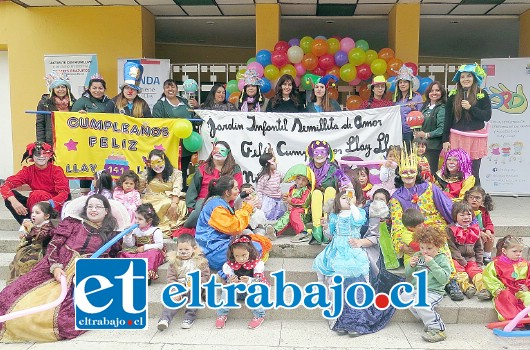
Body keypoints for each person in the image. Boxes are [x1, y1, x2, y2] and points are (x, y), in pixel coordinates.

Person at [0, 194, 121, 342]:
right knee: (9, 295)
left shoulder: (112, 234)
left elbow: (112, 258)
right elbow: (54, 245)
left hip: (83, 275)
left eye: (98, 207)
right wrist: (56, 267)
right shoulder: (73, 223)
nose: (93, 210)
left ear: (106, 211)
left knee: (65, 320)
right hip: (56, 266)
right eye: (90, 206)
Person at [389, 145, 464, 301]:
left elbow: (447, 207)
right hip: (413, 231)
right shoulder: (396, 197)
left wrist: (460, 225)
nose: (408, 175)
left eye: (411, 171)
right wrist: (400, 245)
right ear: (399, 174)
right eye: (404, 172)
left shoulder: (430, 188)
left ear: (417, 172)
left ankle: (450, 280)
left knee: (436, 240)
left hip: (435, 227)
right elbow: (397, 222)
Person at [195, 176, 267, 271]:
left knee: (252, 242)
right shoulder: (217, 207)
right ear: (227, 192)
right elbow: (234, 227)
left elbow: (234, 217)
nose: (238, 191)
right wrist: (247, 208)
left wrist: (246, 205)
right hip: (213, 252)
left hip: (216, 247)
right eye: (236, 188)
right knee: (256, 247)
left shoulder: (218, 202)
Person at [443, 63, 491, 185]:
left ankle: (475, 199)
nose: (465, 79)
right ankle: (458, 199)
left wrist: (471, 108)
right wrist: (445, 140)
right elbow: (447, 119)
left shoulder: (482, 94)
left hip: (476, 138)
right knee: (457, 170)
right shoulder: (453, 96)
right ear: (459, 80)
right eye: (462, 76)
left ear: (474, 78)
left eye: (469, 76)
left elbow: (487, 116)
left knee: (474, 172)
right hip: (457, 137)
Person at [1, 142, 70, 224]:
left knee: (37, 194)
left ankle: (40, 225)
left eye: (45, 153)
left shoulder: (56, 171)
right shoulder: (28, 171)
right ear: (32, 157)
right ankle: (28, 225)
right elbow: (5, 185)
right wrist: (14, 201)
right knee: (9, 198)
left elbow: (64, 193)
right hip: (35, 202)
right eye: (38, 154)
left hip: (54, 204)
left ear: (50, 156)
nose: (41, 156)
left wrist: (49, 203)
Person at [403, 225, 451, 343]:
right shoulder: (418, 256)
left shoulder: (441, 259)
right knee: (403, 297)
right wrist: (411, 266)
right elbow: (408, 274)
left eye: (429, 248)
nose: (424, 251)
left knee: (421, 304)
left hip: (433, 291)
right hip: (417, 289)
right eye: (422, 247)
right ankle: (426, 317)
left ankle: (438, 329)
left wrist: (432, 264)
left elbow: (444, 279)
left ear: (438, 246)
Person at [152, 79, 199, 190]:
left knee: (183, 169)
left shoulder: (185, 102)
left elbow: (194, 119)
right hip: (169, 144)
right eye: (167, 87)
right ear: (164, 90)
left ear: (177, 89)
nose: (170, 89)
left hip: (186, 144)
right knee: (169, 169)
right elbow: (157, 124)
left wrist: (196, 107)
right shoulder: (159, 105)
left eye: (172, 87)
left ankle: (181, 193)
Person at [157, 234, 211, 331]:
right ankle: (165, 319)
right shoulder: (174, 262)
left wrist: (198, 282)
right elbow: (171, 277)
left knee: (194, 294)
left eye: (186, 250)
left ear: (194, 249)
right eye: (180, 250)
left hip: (195, 285)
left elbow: (205, 276)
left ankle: (189, 317)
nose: (183, 252)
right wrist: (174, 289)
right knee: (172, 299)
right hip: (180, 285)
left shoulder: (200, 261)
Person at [184, 141, 243, 229]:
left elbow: (237, 189)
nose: (218, 152)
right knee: (199, 212)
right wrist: (192, 207)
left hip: (226, 200)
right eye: (216, 150)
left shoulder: (235, 169)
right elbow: (193, 189)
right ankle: (188, 228)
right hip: (204, 200)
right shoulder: (203, 168)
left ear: (228, 153)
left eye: (222, 150)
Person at [215, 235, 268, 330]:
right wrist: (231, 280)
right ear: (232, 255)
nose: (241, 259)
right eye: (237, 256)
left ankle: (259, 315)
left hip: (253, 290)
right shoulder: (229, 265)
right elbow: (228, 278)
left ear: (250, 252)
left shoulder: (257, 264)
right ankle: (222, 314)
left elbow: (259, 280)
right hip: (239, 291)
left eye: (244, 255)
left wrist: (250, 280)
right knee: (228, 290)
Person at [306, 140, 352, 244]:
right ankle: (317, 228)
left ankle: (327, 225)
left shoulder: (333, 168)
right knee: (317, 193)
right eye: (316, 152)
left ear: (327, 154)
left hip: (331, 200)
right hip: (313, 201)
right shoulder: (308, 169)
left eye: (322, 152)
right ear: (311, 154)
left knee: (330, 190)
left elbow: (345, 181)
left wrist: (349, 195)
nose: (319, 155)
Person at [446, 202, 491, 300]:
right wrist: (461, 260)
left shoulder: (475, 229)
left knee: (476, 271)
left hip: (471, 258)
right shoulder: (451, 230)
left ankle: (483, 289)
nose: (466, 217)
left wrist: (479, 262)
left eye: (469, 214)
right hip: (456, 259)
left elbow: (479, 247)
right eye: (462, 215)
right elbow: (452, 248)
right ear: (455, 216)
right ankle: (467, 288)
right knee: (460, 272)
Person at [139, 149, 187, 237]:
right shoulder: (146, 173)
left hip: (170, 199)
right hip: (151, 199)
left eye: (159, 162)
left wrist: (174, 204)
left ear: (165, 160)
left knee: (180, 204)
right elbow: (139, 189)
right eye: (153, 163)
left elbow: (177, 190)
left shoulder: (176, 173)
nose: (157, 166)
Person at [483, 235, 530, 321]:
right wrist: (496, 288)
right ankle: (514, 320)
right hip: (506, 289)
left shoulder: (525, 264)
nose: (518, 254)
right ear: (504, 251)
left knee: (528, 296)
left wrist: (527, 286)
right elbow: (489, 277)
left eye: (520, 251)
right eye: (514, 251)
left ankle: (527, 320)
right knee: (506, 298)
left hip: (521, 289)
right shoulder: (496, 264)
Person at [8, 201, 56, 283]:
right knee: (15, 263)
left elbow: (41, 236)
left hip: (42, 252)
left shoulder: (48, 226)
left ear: (47, 216)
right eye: (32, 212)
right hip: (32, 249)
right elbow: (31, 235)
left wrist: (31, 228)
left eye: (37, 213)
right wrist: (26, 236)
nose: (33, 215)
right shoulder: (36, 225)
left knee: (29, 266)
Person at [119, 203, 165, 284]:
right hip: (138, 250)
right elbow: (131, 245)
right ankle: (127, 273)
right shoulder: (136, 230)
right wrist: (128, 235)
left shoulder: (155, 230)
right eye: (136, 218)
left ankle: (146, 275)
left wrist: (145, 247)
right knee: (122, 253)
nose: (136, 221)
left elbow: (160, 245)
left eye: (140, 219)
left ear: (149, 220)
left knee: (153, 254)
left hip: (150, 250)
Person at [265, 166, 313, 243]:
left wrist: (291, 200)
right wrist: (287, 198)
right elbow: (289, 199)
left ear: (308, 182)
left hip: (304, 213)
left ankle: (304, 233)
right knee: (287, 215)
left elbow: (304, 203)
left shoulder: (306, 190)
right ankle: (275, 231)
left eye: (304, 180)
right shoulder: (292, 188)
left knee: (294, 213)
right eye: (298, 178)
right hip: (293, 211)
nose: (300, 182)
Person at [36, 71, 77, 146]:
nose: (61, 89)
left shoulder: (74, 103)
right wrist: (41, 143)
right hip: (52, 141)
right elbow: (40, 124)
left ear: (67, 89)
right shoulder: (44, 103)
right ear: (53, 90)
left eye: (63, 87)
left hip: (71, 140)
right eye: (58, 87)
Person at [415, 81, 446, 173]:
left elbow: (442, 129)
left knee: (430, 173)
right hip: (422, 147)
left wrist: (426, 135)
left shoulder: (441, 108)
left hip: (433, 147)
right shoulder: (425, 108)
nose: (434, 93)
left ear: (442, 93)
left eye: (437, 90)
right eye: (432, 91)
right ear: (428, 93)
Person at [393, 65, 423, 146]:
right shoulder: (396, 99)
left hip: (411, 133)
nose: (402, 84)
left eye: (405, 82)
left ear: (410, 84)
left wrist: (413, 109)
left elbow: (422, 116)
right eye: (400, 82)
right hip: (397, 133)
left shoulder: (417, 97)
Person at [464, 186, 495, 264]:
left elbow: (489, 223)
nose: (474, 200)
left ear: (482, 201)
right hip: (469, 232)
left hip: (481, 232)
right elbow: (468, 224)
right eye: (471, 197)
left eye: (477, 198)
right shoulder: (464, 210)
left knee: (490, 237)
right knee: (479, 237)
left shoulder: (483, 211)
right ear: (467, 198)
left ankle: (486, 256)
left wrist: (488, 230)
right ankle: (476, 256)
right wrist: (479, 232)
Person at [255, 147, 285, 221]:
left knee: (279, 216)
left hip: (278, 200)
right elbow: (259, 191)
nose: (276, 162)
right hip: (268, 201)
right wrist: (260, 202)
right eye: (274, 161)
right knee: (269, 217)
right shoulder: (264, 177)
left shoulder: (278, 173)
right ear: (267, 164)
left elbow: (281, 180)